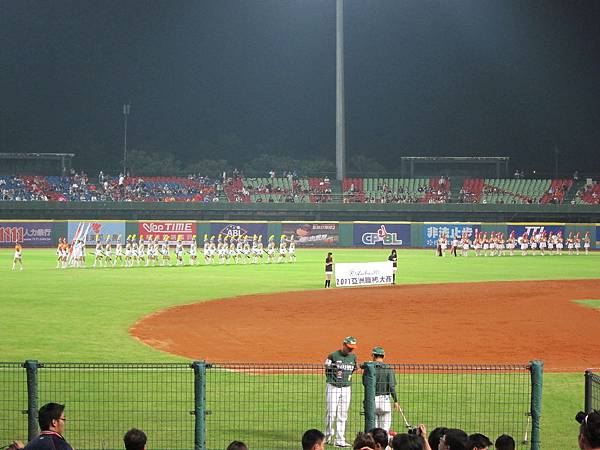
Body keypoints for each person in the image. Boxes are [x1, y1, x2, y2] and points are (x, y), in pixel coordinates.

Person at [325, 336, 359, 447]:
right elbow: (326, 368)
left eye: (352, 348)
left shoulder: (353, 357)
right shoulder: (333, 355)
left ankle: (340, 440)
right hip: (333, 387)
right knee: (331, 413)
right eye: (349, 347)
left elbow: (354, 369)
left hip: (346, 389)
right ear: (343, 345)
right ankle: (327, 436)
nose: (350, 350)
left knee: (343, 414)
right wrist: (333, 378)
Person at [369, 347, 400, 432]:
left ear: (374, 356)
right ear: (383, 356)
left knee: (374, 431)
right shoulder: (388, 368)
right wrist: (395, 401)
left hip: (373, 401)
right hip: (385, 402)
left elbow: (366, 384)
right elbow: (392, 386)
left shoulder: (370, 368)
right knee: (385, 430)